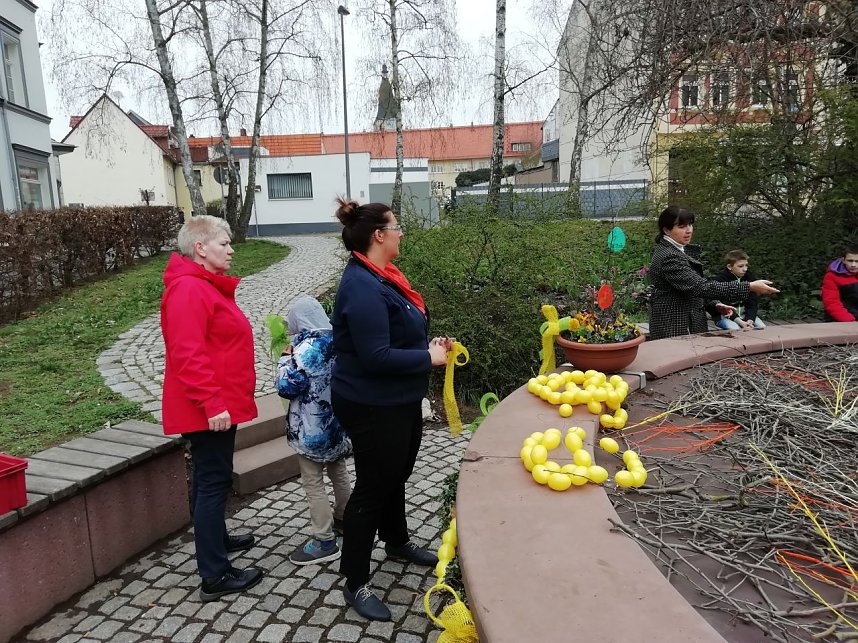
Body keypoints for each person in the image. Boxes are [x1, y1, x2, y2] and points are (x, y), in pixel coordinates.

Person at [330, 198, 452, 622]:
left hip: (396, 398)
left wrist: (427, 347)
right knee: (372, 487)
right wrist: (428, 359)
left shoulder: (384, 277)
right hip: (369, 402)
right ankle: (355, 580)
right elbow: (375, 356)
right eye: (396, 227)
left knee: (395, 473)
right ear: (378, 235)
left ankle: (396, 541)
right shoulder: (361, 286)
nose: (401, 233)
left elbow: (397, 335)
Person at [160, 215, 263, 602]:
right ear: (200, 248)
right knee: (213, 482)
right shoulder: (189, 290)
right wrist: (211, 403)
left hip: (219, 403)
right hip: (209, 408)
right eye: (224, 243)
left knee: (210, 477)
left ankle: (217, 540)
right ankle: (215, 575)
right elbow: (187, 354)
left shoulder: (201, 285)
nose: (231, 249)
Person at [275, 295, 353, 566]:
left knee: (313, 482)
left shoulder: (304, 348)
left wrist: (285, 358)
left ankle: (324, 540)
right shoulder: (340, 340)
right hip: (338, 425)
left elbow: (287, 387)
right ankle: (345, 518)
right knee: (339, 471)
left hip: (311, 430)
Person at [648, 206, 779, 340]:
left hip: (687, 324)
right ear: (666, 230)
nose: (689, 230)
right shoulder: (669, 256)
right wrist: (749, 287)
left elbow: (691, 290)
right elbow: (700, 287)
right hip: (674, 326)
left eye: (690, 225)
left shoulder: (678, 250)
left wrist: (715, 305)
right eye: (681, 227)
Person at [706, 250, 766, 330]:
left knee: (761, 327)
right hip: (725, 316)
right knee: (735, 329)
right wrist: (740, 322)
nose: (745, 269)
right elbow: (723, 305)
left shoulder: (749, 278)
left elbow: (752, 302)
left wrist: (750, 320)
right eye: (741, 266)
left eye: (746, 265)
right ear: (729, 267)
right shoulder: (721, 280)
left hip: (745, 315)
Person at [821, 246, 858, 322]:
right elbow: (831, 303)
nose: (853, 265)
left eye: (857, 261)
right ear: (843, 260)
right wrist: (850, 321)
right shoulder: (831, 276)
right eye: (850, 261)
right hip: (841, 318)